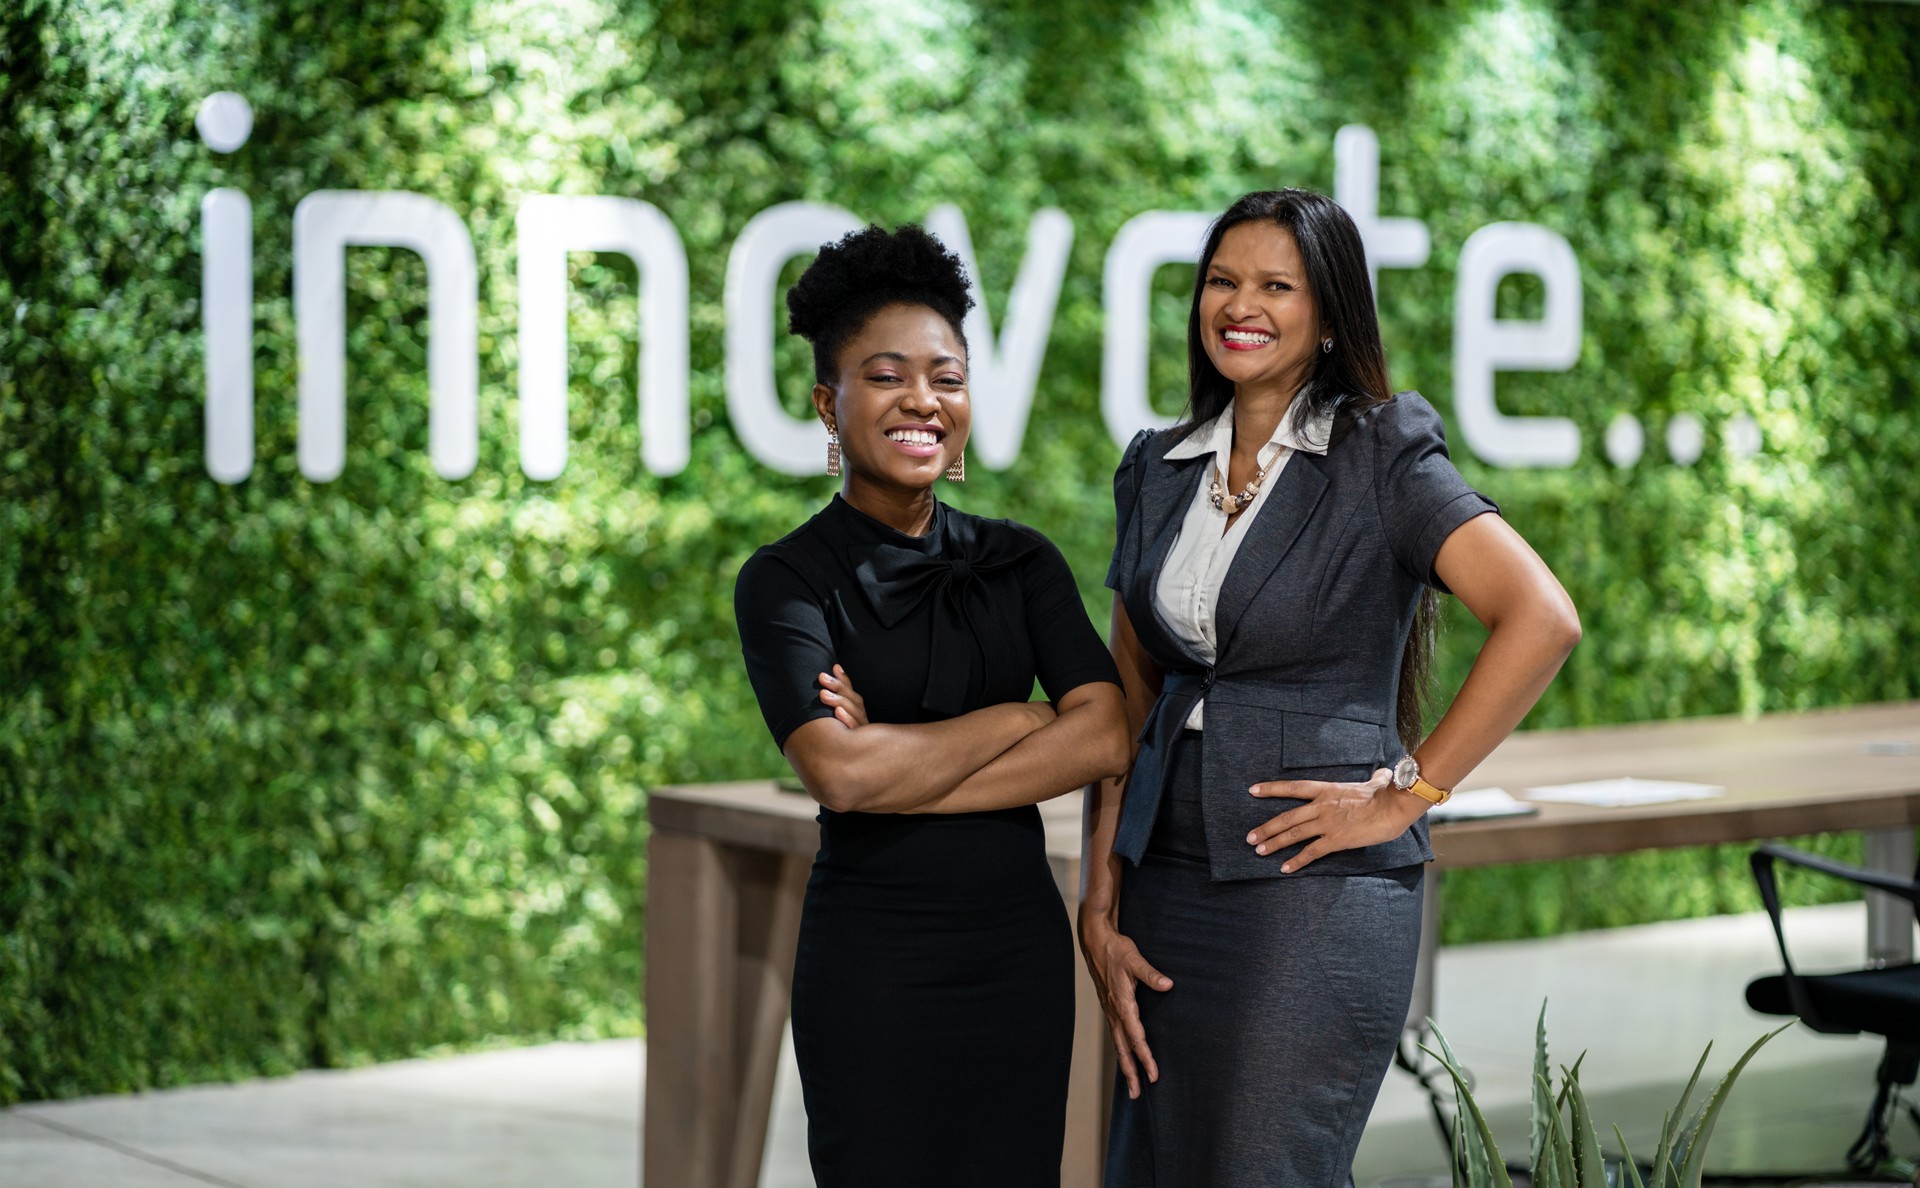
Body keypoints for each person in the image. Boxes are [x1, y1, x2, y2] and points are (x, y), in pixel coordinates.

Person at [1078, 189, 1583, 1187]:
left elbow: (1542, 617)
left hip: (1312, 891)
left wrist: (1408, 791)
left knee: (1264, 1170)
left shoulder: (1381, 453)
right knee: (1156, 1170)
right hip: (1165, 877)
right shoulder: (1156, 468)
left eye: (1277, 285)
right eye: (1222, 281)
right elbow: (1130, 694)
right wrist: (1100, 896)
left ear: (1328, 315)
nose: (1241, 305)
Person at [734, 224, 1130, 1187]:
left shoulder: (1019, 560)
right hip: (872, 963)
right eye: (886, 376)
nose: (923, 400)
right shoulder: (785, 580)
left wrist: (897, 766)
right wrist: (1019, 721)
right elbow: (836, 770)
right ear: (830, 404)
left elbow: (1113, 731)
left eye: (946, 377)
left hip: (1017, 959)